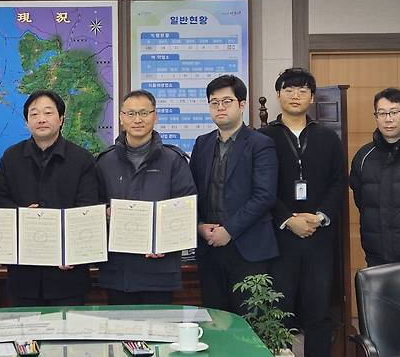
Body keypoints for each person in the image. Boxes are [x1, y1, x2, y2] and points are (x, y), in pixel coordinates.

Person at [259, 68, 346, 357]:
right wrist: (287, 219)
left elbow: (338, 182)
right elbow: (261, 186)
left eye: (302, 90)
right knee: (278, 309)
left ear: (312, 97)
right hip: (278, 236)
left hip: (319, 235)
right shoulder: (263, 137)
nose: (295, 95)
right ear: (278, 95)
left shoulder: (328, 137)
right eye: (288, 89)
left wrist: (319, 217)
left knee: (319, 309)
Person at [0, 90, 99, 307]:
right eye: (34, 114)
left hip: (67, 273)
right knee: (25, 329)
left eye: (48, 112)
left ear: (61, 119)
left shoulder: (81, 159)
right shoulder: (11, 157)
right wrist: (21, 215)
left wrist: (73, 252)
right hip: (24, 273)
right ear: (27, 122)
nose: (41, 119)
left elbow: (88, 208)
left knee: (66, 329)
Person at [96, 90, 197, 304]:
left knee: (159, 325)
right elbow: (91, 206)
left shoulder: (173, 160)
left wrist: (165, 242)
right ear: (121, 118)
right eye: (131, 113)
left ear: (155, 116)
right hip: (118, 271)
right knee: (119, 325)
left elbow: (187, 208)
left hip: (160, 270)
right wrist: (104, 212)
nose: (138, 119)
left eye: (144, 113)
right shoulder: (104, 162)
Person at [189, 74, 278, 313]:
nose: (220, 107)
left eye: (226, 101)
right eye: (214, 102)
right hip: (209, 247)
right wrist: (198, 226)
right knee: (215, 319)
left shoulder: (261, 143)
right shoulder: (202, 143)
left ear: (241, 104)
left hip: (248, 249)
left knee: (248, 323)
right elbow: (191, 192)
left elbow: (264, 196)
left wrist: (229, 230)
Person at [350, 87, 400, 266]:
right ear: (376, 117)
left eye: (394, 112)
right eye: (382, 113)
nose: (388, 119)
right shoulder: (363, 156)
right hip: (376, 254)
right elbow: (361, 201)